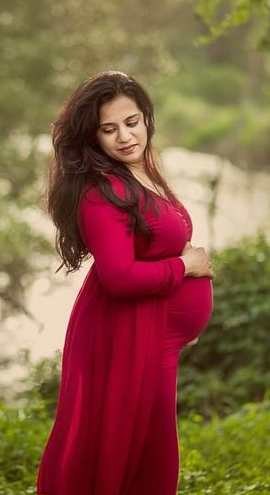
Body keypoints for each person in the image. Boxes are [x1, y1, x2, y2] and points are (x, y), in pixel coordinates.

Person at [36, 70, 215, 495]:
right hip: (124, 335)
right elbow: (118, 278)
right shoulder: (102, 192)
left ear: (146, 118)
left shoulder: (142, 171)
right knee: (128, 452)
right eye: (109, 129)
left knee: (149, 452)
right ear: (93, 136)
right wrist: (185, 269)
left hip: (151, 333)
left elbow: (153, 250)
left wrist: (175, 320)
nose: (124, 137)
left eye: (132, 122)